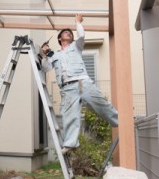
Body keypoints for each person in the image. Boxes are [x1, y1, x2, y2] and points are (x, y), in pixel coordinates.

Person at [40, 13, 118, 154]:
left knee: (101, 104)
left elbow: (81, 36)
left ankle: (121, 122)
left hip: (83, 82)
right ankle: (70, 144)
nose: (69, 33)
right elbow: (45, 68)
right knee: (69, 116)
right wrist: (44, 54)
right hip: (67, 88)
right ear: (59, 39)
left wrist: (78, 22)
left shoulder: (76, 46)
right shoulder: (55, 55)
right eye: (65, 33)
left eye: (70, 33)